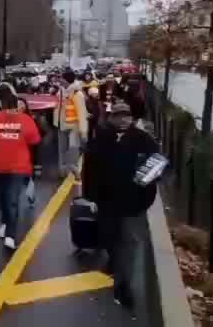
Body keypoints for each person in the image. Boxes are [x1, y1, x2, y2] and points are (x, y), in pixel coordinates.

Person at [82, 102, 160, 309]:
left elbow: (158, 163)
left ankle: (124, 287)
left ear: (132, 118)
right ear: (111, 118)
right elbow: (89, 168)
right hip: (107, 201)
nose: (123, 119)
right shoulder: (100, 140)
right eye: (119, 115)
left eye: (127, 115)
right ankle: (115, 262)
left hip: (133, 203)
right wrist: (90, 196)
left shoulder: (143, 140)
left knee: (129, 242)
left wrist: (144, 185)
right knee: (110, 237)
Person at [0, 91, 41, 249]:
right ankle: (7, 227)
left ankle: (10, 235)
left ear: (3, 104)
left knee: (7, 199)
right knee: (8, 201)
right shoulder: (26, 120)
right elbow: (35, 142)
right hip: (17, 167)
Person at [53, 71, 89, 177]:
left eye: (62, 78)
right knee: (62, 150)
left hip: (73, 127)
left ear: (66, 80)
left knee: (73, 150)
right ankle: (63, 171)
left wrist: (83, 132)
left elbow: (82, 114)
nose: (60, 80)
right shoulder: (60, 92)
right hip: (61, 125)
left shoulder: (77, 94)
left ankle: (75, 171)